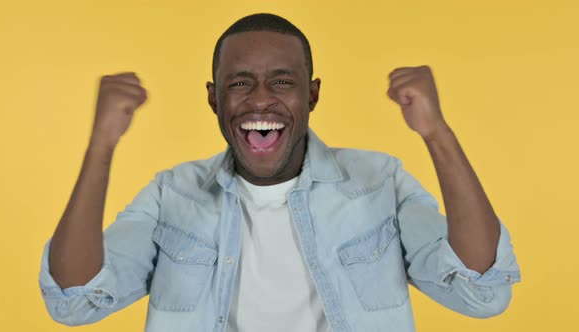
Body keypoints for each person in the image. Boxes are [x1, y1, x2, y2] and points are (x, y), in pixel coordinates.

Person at [39, 13, 520, 332]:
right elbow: (75, 299)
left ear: (312, 95)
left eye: (283, 82)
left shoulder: (380, 181)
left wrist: (436, 132)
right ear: (213, 98)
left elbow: (481, 290)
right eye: (240, 82)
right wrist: (101, 145)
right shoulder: (172, 194)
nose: (261, 99)